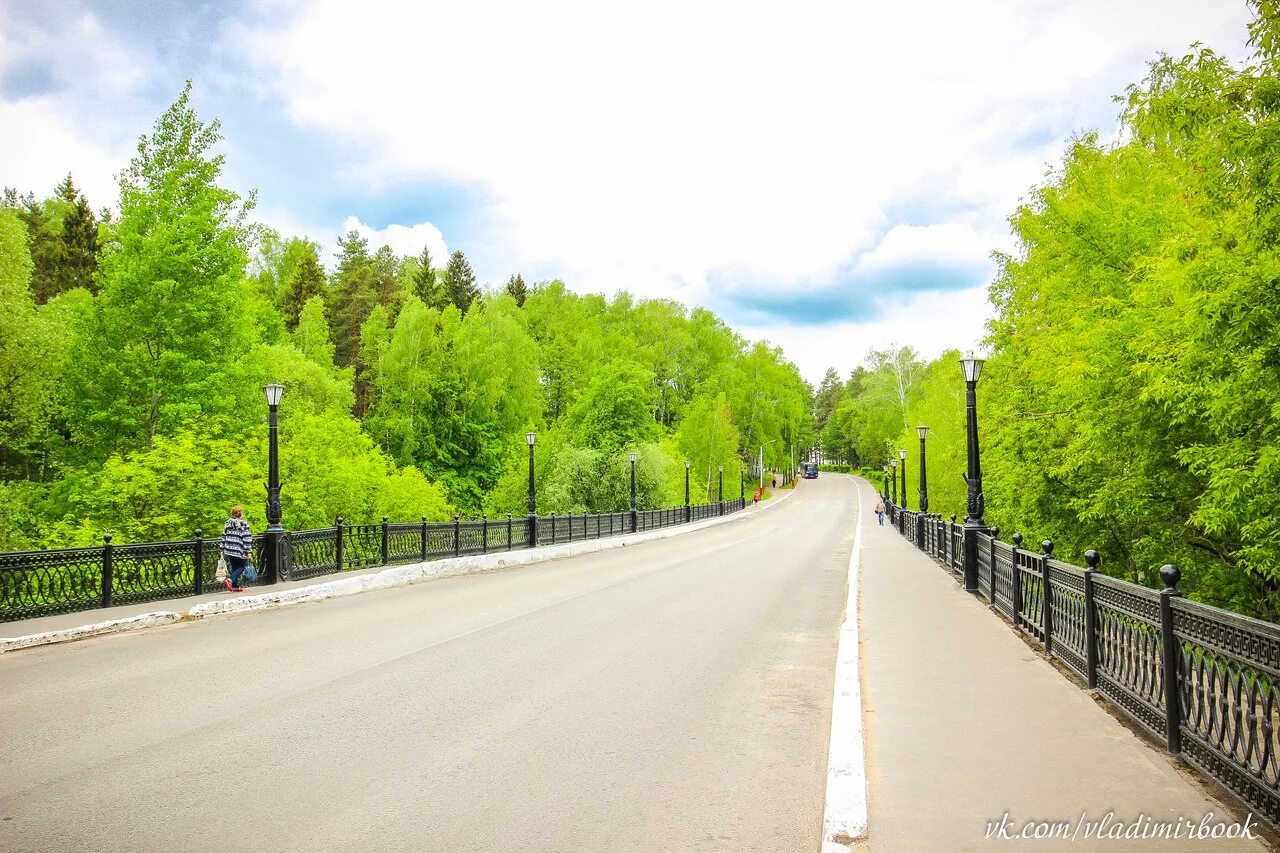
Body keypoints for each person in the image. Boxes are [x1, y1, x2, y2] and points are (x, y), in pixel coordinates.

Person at [219, 505, 254, 592]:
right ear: (241, 514)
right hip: (239, 549)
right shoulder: (244, 524)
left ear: (232, 514)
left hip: (229, 549)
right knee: (243, 566)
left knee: (235, 566)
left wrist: (222, 549)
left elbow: (224, 536)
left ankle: (235, 586)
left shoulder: (227, 523)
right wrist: (248, 551)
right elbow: (246, 538)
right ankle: (230, 580)